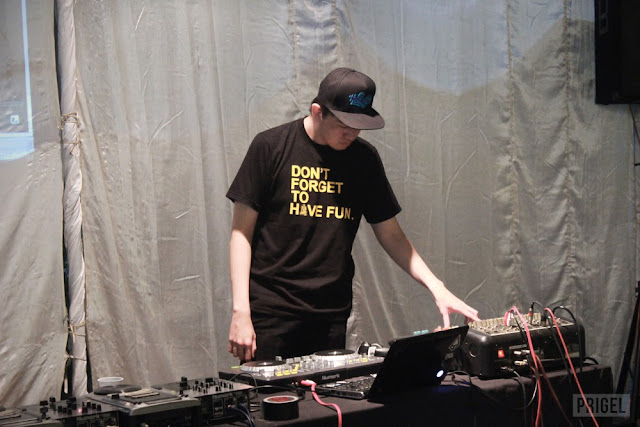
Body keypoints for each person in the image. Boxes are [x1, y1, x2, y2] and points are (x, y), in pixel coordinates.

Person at [226, 67, 480, 362]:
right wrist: (241, 311)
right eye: (344, 125)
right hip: (272, 311)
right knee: (269, 392)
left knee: (326, 392)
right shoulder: (270, 147)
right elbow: (241, 233)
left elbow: (391, 234)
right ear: (318, 111)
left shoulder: (364, 159)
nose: (352, 134)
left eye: (359, 126)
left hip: (330, 313)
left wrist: (437, 288)